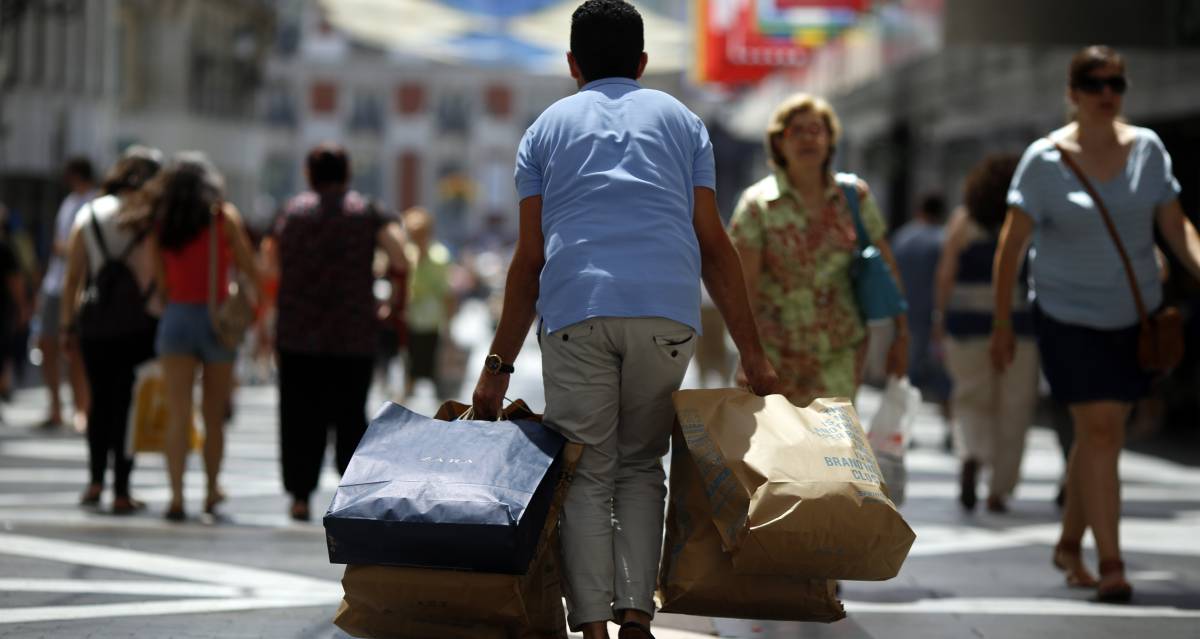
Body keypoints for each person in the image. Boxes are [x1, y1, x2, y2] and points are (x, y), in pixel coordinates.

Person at [471, 3, 779, 638]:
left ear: (572, 65)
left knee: (585, 469)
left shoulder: (544, 131)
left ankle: (592, 629)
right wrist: (755, 355)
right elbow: (714, 245)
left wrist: (496, 370)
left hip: (576, 311)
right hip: (667, 313)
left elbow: (529, 261)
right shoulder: (684, 123)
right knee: (642, 465)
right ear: (642, 63)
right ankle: (636, 618)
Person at [991, 45, 1200, 602]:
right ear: (1074, 92)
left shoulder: (1148, 151)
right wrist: (1003, 322)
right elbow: (1012, 245)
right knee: (1103, 429)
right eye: (1094, 83)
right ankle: (1111, 563)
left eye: (1116, 84)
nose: (1107, 94)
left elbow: (1177, 225)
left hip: (1133, 314)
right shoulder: (1045, 159)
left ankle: (1067, 543)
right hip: (1065, 313)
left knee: (1098, 433)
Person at [729, 93, 908, 408]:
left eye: (816, 130)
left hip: (840, 353)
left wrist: (901, 336)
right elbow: (745, 289)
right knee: (779, 453)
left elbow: (887, 267)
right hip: (775, 357)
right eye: (796, 131)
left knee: (833, 450)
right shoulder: (757, 205)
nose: (807, 138)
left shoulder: (854, 197)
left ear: (830, 140)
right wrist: (748, 356)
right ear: (779, 142)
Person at [272, 144, 408, 522]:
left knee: (299, 415)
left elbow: (269, 262)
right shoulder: (366, 211)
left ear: (309, 174)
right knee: (349, 414)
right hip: (351, 332)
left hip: (298, 331)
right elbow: (399, 255)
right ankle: (352, 492)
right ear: (347, 174)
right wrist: (392, 302)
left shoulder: (292, 212)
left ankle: (300, 496)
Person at [150, 153, 260, 522]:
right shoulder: (222, 218)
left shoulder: (162, 221)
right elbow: (249, 267)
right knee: (214, 416)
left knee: (179, 414)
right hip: (216, 321)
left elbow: (160, 282)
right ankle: (211, 491)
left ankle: (177, 497)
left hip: (177, 317)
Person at [60, 146, 163, 514]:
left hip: (95, 322)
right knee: (128, 406)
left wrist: (67, 326)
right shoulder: (149, 218)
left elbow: (73, 277)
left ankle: (94, 481)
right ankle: (122, 488)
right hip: (141, 324)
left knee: (98, 402)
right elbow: (161, 277)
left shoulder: (88, 214)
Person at [934, 154, 1037, 514]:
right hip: (1020, 325)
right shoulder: (1028, 220)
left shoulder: (963, 220)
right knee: (1015, 405)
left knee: (970, 399)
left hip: (966, 325)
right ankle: (999, 489)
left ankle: (971, 455)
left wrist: (940, 318)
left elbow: (946, 274)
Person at [37, 157, 96, 431]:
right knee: (46, 344)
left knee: (77, 349)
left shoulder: (93, 204)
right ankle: (56, 407)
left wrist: (65, 250)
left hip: (77, 285)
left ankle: (81, 408)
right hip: (55, 283)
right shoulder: (69, 202)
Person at [892, 193, 952, 443]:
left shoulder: (902, 238)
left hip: (906, 315)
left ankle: (905, 430)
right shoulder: (944, 239)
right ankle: (950, 430)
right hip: (935, 317)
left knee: (907, 375)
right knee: (944, 376)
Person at [401, 206, 454, 400]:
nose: (416, 237)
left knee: (436, 376)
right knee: (408, 372)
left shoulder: (440, 256)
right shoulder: (406, 254)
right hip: (408, 322)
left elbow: (447, 293)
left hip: (432, 324)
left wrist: (449, 326)